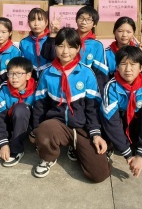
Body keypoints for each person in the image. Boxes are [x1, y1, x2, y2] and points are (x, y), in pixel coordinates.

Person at [30, 28, 111, 182]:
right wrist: (36, 130)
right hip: (57, 125)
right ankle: (49, 157)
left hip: (82, 127)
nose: (65, 51)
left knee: (99, 174)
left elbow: (92, 107)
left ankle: (77, 147)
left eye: (70, 46)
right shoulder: (47, 73)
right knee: (44, 130)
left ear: (78, 48)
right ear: (55, 47)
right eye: (61, 46)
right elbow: (39, 105)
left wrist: (95, 133)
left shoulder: (87, 73)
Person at [101, 46, 142, 177]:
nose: (128, 69)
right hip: (119, 123)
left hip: (135, 123)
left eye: (133, 64)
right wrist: (127, 154)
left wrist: (141, 154)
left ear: (141, 68)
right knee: (105, 118)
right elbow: (111, 121)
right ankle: (113, 145)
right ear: (117, 67)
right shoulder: (111, 87)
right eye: (123, 64)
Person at [0, 57, 36, 167]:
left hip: (28, 125)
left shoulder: (36, 88)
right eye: (11, 74)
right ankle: (9, 139)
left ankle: (16, 149)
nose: (14, 78)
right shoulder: (4, 88)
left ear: (28, 75)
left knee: (21, 108)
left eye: (19, 74)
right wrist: (3, 143)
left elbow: (39, 112)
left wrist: (36, 134)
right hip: (9, 123)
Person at [104, 16, 142, 84]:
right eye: (120, 31)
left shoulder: (140, 50)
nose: (124, 35)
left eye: (128, 32)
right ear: (114, 32)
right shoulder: (106, 53)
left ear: (133, 34)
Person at [19, 8, 52, 77]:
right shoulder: (24, 42)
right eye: (33, 20)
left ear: (46, 22)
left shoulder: (51, 40)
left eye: (40, 19)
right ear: (28, 23)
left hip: (49, 75)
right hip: (30, 76)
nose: (36, 23)